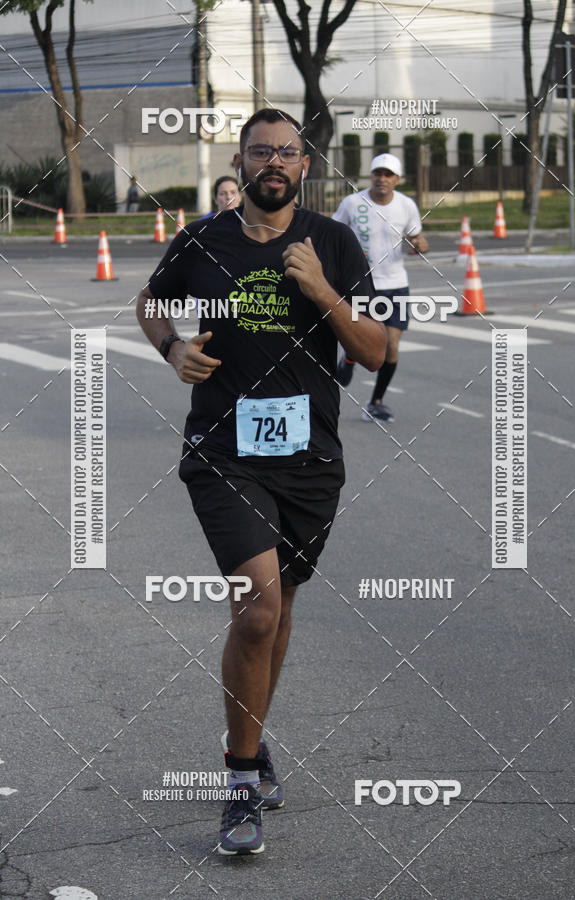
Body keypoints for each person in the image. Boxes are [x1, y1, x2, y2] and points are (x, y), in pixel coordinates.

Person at [135, 108, 385, 856]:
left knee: (279, 609)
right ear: (239, 161)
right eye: (259, 152)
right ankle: (240, 781)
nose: (272, 162)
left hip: (310, 461)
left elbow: (375, 352)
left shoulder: (333, 243)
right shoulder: (202, 239)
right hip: (223, 452)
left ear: (304, 166)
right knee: (257, 612)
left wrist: (323, 293)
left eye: (286, 152)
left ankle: (252, 735)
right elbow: (149, 301)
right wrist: (172, 348)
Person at [332, 152, 429, 422]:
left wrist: (419, 246)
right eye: (377, 173)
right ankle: (350, 357)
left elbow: (416, 237)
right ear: (371, 176)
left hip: (396, 284)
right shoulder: (353, 203)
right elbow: (333, 233)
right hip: (361, 284)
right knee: (359, 338)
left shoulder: (406, 206)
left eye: (388, 175)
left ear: (397, 179)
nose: (382, 179)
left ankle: (376, 401)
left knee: (390, 346)